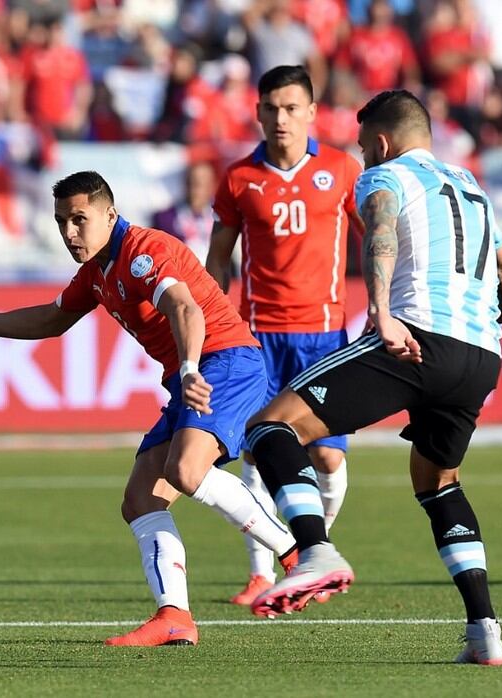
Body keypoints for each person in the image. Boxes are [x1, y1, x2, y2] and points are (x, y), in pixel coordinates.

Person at [0, 170, 298, 647]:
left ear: (110, 215)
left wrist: (186, 369)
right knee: (140, 499)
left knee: (186, 470)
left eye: (80, 219)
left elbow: (185, 309)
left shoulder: (143, 253)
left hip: (224, 363)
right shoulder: (97, 271)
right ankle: (174, 617)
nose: (69, 232)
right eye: (62, 222)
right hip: (191, 374)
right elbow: (52, 319)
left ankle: (295, 550)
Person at [243, 90, 502, 667]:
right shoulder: (472, 184)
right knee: (437, 480)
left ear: (380, 141)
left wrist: (379, 310)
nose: (362, 156)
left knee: (270, 427)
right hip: (481, 357)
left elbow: (380, 233)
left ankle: (316, 550)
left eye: (363, 146)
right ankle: (484, 631)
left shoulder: (384, 176)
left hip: (416, 337)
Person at [206, 65, 362, 605]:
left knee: (328, 460)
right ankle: (262, 573)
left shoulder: (343, 170)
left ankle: (316, 548)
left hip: (323, 337)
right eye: (271, 108)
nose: (281, 118)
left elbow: (378, 237)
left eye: (292, 108)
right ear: (257, 112)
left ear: (312, 112)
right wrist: (214, 325)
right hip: (259, 337)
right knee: (255, 454)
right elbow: (218, 261)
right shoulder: (238, 179)